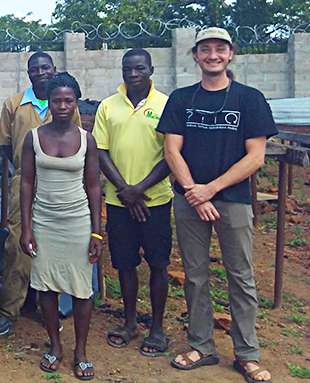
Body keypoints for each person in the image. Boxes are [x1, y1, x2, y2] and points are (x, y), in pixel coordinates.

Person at [158, 27, 276, 383]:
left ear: (230, 55)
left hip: (232, 201)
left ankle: (247, 354)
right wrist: (193, 190)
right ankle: (202, 345)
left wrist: (210, 189)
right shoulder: (181, 99)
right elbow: (171, 150)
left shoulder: (249, 99)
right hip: (189, 200)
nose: (213, 55)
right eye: (205, 49)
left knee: (240, 276)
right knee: (194, 275)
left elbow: (256, 156)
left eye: (220, 49)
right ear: (195, 55)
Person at [0, 52, 83, 336]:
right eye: (35, 69)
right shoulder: (14, 104)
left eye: (46, 68)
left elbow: (77, 140)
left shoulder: (65, 103)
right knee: (18, 247)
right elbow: (4, 148)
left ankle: (50, 310)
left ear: (54, 70)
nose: (41, 73)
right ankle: (9, 310)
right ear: (29, 74)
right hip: (22, 181)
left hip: (58, 183)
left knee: (54, 248)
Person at [20, 73, 101, 380]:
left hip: (78, 221)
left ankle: (80, 351)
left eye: (69, 100)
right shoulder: (34, 137)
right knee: (45, 286)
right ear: (48, 102)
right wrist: (26, 228)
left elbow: (93, 186)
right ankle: (55, 345)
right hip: (44, 221)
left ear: (76, 101)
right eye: (57, 100)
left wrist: (96, 231)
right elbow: (27, 183)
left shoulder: (86, 139)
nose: (63, 106)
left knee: (82, 289)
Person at [93, 48, 173, 356]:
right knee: (125, 263)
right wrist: (125, 190)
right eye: (128, 68)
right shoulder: (108, 106)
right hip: (118, 201)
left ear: (151, 69)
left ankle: (157, 327)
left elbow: (171, 153)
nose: (133, 73)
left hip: (156, 199)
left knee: (158, 263)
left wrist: (140, 189)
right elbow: (100, 151)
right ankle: (129, 322)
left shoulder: (166, 105)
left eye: (140, 68)